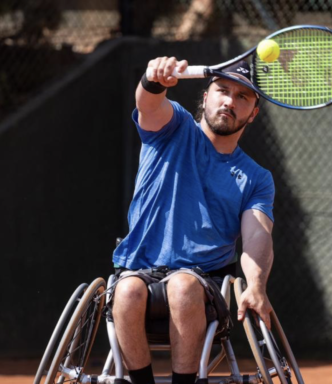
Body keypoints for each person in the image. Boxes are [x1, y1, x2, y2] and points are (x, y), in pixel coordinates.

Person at [110, 56, 276, 384]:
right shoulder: (173, 128)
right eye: (222, 90)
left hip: (204, 281)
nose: (229, 100)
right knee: (127, 291)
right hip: (138, 270)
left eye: (242, 97)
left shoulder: (257, 178)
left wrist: (256, 286)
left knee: (183, 285)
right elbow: (148, 103)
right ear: (205, 97)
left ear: (253, 113)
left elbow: (257, 236)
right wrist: (154, 79)